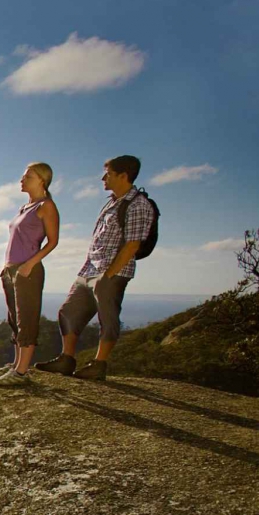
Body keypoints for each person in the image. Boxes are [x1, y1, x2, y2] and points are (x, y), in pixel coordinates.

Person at [36, 155, 154, 380]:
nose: (103, 178)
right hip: (89, 270)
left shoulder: (138, 204)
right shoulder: (111, 202)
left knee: (107, 318)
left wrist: (108, 275)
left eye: (108, 173)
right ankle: (67, 359)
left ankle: (99, 364)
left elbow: (132, 245)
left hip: (112, 272)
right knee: (68, 311)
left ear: (123, 175)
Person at [0, 162, 60, 387]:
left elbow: (53, 241)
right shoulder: (24, 207)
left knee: (26, 320)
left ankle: (21, 373)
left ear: (42, 179)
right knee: (14, 320)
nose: (22, 180)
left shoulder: (46, 206)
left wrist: (30, 264)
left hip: (27, 269)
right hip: (11, 269)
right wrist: (7, 268)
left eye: (27, 176)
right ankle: (15, 364)